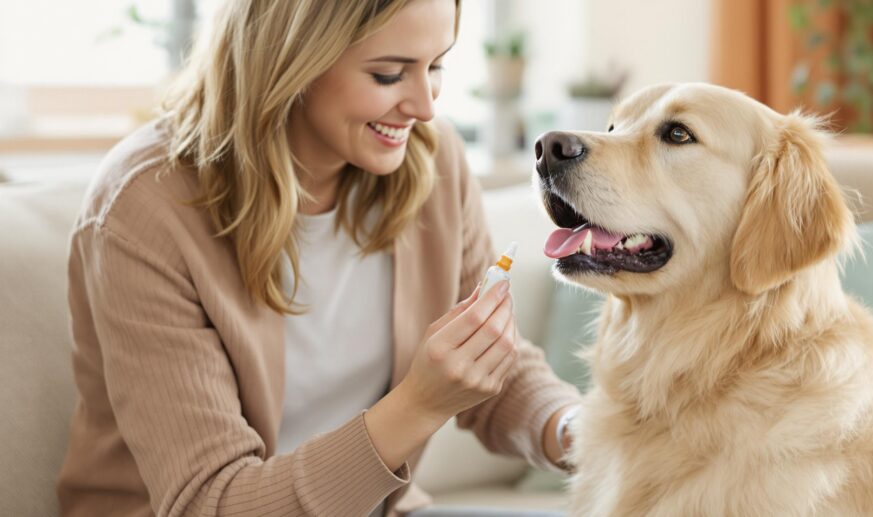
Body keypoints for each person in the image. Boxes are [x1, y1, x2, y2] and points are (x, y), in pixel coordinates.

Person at [56, 1, 582, 516]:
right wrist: (419, 404)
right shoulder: (145, 209)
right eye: (387, 75)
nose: (425, 106)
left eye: (436, 65)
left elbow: (491, 371)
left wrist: (577, 430)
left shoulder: (432, 160)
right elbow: (210, 502)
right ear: (293, 61)